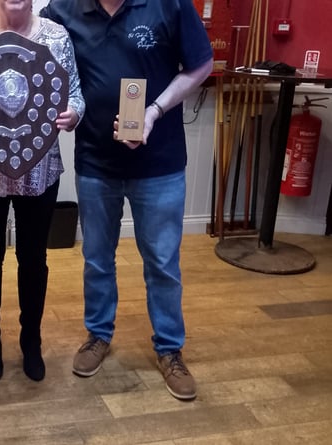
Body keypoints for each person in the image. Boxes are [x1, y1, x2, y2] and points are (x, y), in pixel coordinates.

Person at [40, 0, 213, 400]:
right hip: (96, 162)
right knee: (97, 258)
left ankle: (170, 348)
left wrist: (155, 110)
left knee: (163, 263)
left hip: (160, 162)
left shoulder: (168, 4)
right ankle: (98, 335)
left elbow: (201, 64)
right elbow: (21, 33)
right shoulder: (64, 9)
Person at [0, 0, 84, 382]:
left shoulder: (57, 36)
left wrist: (74, 113)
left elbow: (74, 92)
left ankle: (31, 341)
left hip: (40, 170)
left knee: (33, 259)